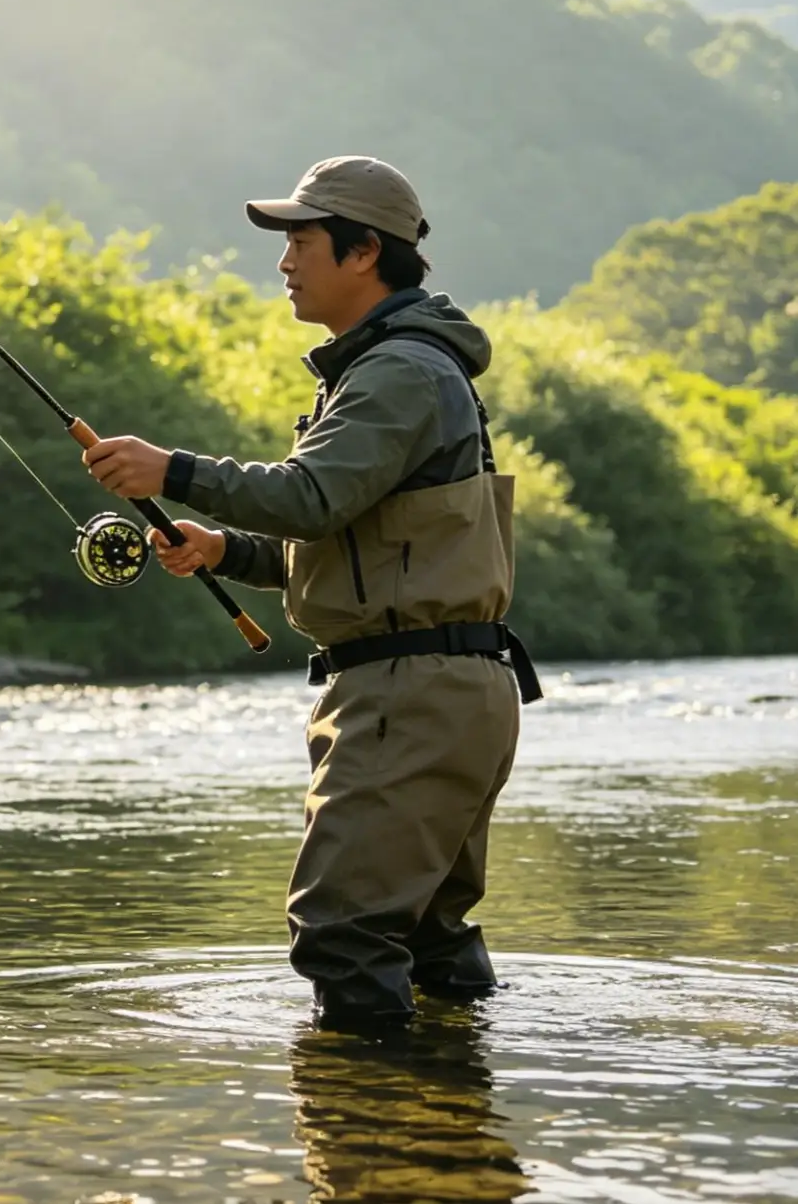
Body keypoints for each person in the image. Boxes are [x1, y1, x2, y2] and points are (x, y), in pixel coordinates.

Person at [78, 156, 538, 1027]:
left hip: (407, 695)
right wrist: (228, 551)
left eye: (301, 241)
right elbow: (362, 545)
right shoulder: (401, 368)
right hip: (444, 687)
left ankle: (370, 1148)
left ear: (364, 252)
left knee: (344, 935)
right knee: (429, 935)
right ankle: (451, 1128)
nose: (284, 262)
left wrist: (169, 469)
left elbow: (310, 497)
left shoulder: (400, 371)